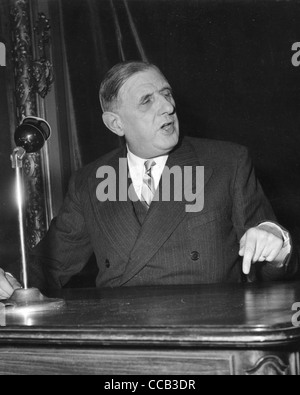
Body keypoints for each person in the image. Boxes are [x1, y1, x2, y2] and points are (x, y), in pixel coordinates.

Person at [0, 61, 298, 298]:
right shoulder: (89, 182)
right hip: (125, 341)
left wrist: (276, 246)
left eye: (166, 94)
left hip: (213, 338)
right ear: (116, 123)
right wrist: (10, 281)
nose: (167, 107)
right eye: (147, 101)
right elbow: (50, 263)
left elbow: (273, 261)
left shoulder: (226, 163)